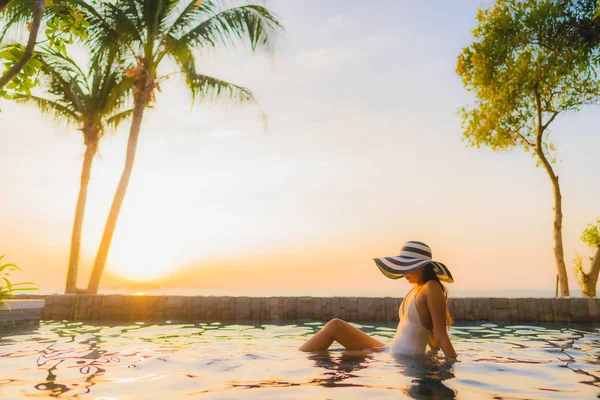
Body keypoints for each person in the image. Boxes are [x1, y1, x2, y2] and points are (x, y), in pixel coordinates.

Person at [298, 241, 457, 361]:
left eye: (407, 266)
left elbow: (440, 334)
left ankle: (298, 364)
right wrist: (433, 353)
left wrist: (453, 363)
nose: (403, 272)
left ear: (422, 266)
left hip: (402, 358)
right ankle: (298, 360)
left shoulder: (431, 287)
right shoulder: (416, 288)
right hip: (392, 351)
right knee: (335, 326)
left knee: (334, 340)